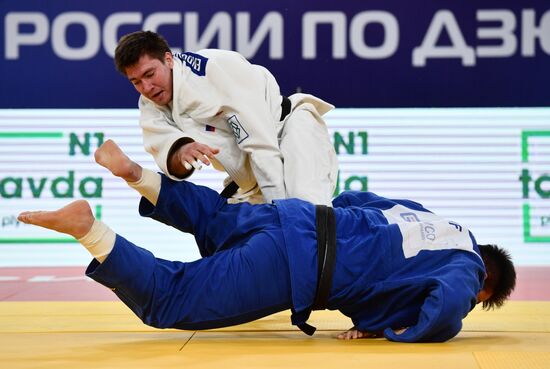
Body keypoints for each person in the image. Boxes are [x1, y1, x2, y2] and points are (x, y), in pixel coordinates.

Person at [18, 140, 516, 343]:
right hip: (293, 265)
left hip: (295, 217)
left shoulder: (426, 216)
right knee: (171, 299)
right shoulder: (466, 267)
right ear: (486, 282)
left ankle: (138, 175)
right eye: (482, 300)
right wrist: (393, 331)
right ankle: (90, 229)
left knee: (213, 218)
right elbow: (448, 307)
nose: (473, 300)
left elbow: (356, 197)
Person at [114, 30, 338, 205]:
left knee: (304, 215)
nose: (146, 87)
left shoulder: (215, 69)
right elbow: (168, 154)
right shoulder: (150, 105)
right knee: (245, 246)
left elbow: (261, 145)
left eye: (150, 74)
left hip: (290, 130)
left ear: (169, 60)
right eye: (136, 82)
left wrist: (278, 210)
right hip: (250, 180)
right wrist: (181, 150)